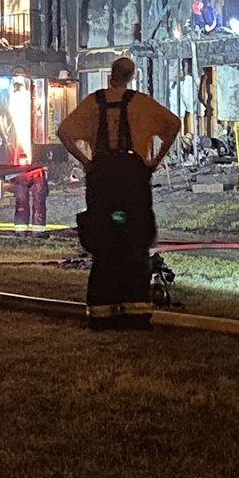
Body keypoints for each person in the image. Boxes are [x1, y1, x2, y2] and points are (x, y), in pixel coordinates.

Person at [57, 57, 181, 330]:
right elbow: (173, 125)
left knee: (103, 243)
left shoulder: (93, 103)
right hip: (133, 179)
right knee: (135, 243)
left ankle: (101, 313)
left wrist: (86, 162)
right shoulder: (142, 103)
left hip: (101, 179)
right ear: (131, 77)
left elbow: (64, 132)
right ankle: (135, 313)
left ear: (110, 76)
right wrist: (155, 161)